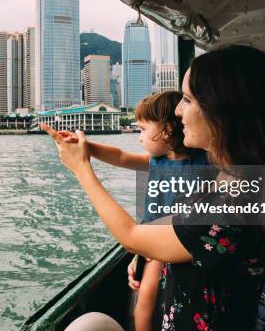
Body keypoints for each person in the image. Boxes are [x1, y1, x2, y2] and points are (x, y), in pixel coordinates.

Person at [44, 45, 265, 331]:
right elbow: (175, 224)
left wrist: (81, 168)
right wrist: (145, 251)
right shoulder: (239, 178)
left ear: (222, 110)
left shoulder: (236, 202)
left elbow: (131, 235)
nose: (179, 111)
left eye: (188, 100)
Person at [61, 91, 207, 330]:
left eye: (142, 129)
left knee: (145, 300)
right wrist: (85, 146)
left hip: (176, 239)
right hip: (156, 242)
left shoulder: (205, 162)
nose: (139, 137)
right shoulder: (156, 161)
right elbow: (120, 156)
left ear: (167, 131)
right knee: (144, 301)